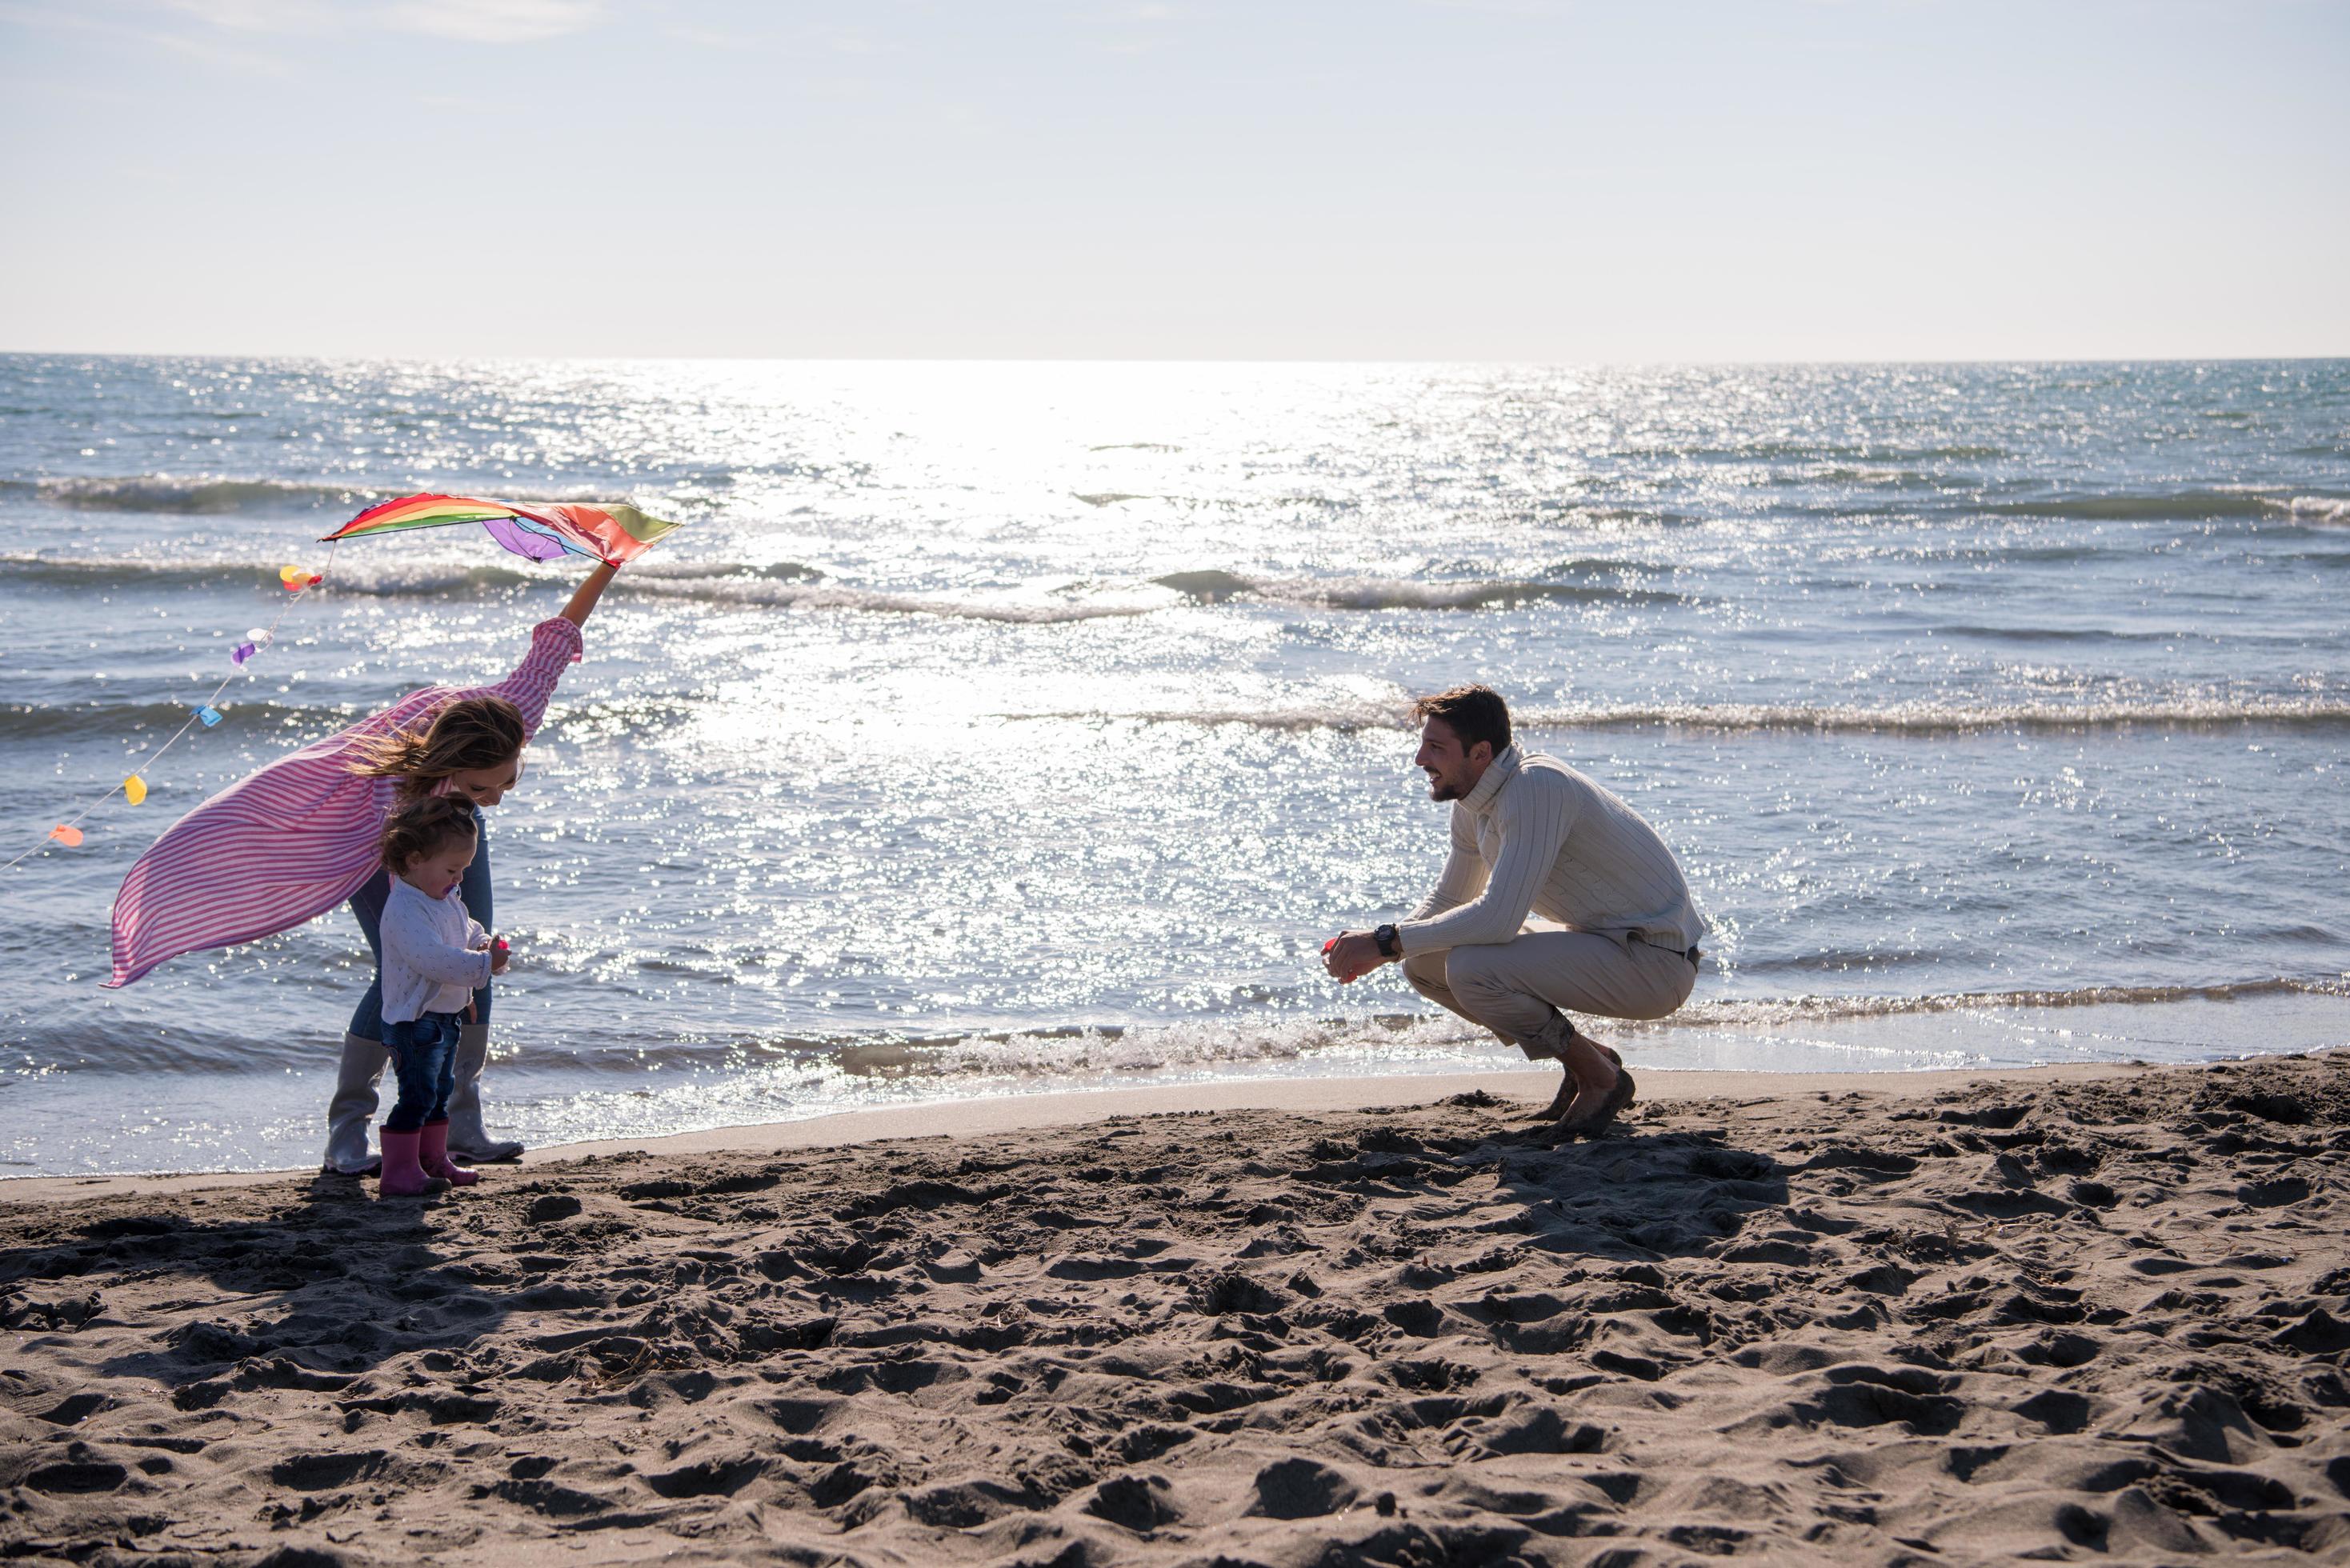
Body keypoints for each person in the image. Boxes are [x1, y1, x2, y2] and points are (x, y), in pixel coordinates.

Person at [106, 560, 617, 1173]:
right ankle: (348, 1130)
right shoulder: (389, 793)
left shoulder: (514, 714)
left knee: (474, 962)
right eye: (484, 788)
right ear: (450, 766)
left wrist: (608, 563)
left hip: (451, 833)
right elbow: (341, 832)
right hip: (381, 847)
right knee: (400, 971)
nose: (499, 796)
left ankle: (461, 1120)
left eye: (506, 782)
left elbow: (558, 635)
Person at [1323, 684, 1707, 1138]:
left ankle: (1603, 1082)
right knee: (1425, 964)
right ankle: (1592, 1061)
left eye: (1436, 747)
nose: (1420, 759)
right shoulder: (1475, 802)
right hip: (1604, 943)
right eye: (1423, 743)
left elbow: (1496, 919)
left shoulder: (1536, 787)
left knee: (1471, 966)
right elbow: (1450, 902)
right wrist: (1386, 947)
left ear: (1481, 752)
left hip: (1656, 963)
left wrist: (1387, 940)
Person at [371, 796, 512, 1198]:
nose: (459, 879)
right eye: (452, 869)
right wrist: (483, 966)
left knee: (440, 1091)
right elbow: (432, 960)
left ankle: (433, 1160)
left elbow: (464, 929)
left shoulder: (444, 897)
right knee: (416, 1095)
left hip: (444, 1018)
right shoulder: (405, 908)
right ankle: (398, 1171)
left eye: (464, 870)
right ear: (415, 859)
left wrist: (483, 944)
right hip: (414, 1022)